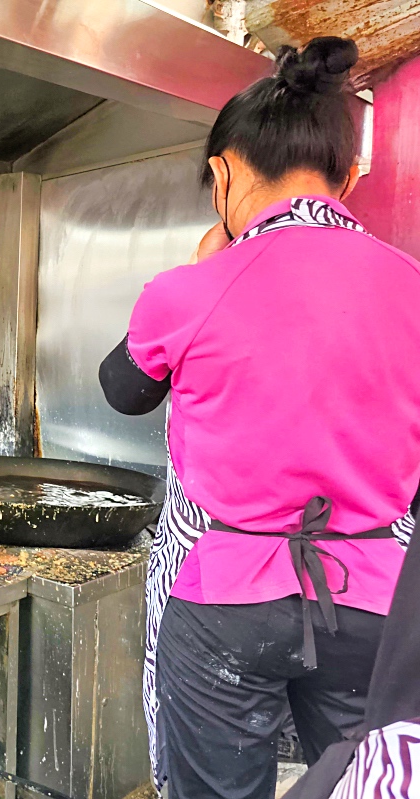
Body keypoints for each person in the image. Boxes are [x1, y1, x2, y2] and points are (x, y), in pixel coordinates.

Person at [97, 37, 420, 799]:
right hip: (376, 603)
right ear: (344, 176)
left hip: (223, 606)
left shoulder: (192, 290)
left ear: (224, 173)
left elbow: (125, 388)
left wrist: (202, 264)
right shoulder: (412, 286)